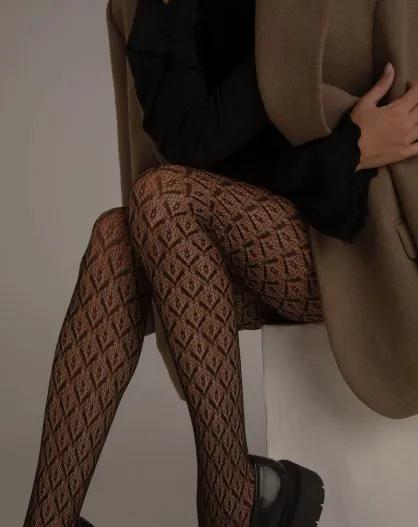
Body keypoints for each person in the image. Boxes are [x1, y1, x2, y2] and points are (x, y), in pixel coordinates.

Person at [23, 0, 418, 526]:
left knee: (163, 197)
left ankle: (228, 502)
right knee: (116, 237)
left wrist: (352, 151)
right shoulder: (148, 9)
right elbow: (189, 145)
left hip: (347, 245)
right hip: (213, 241)